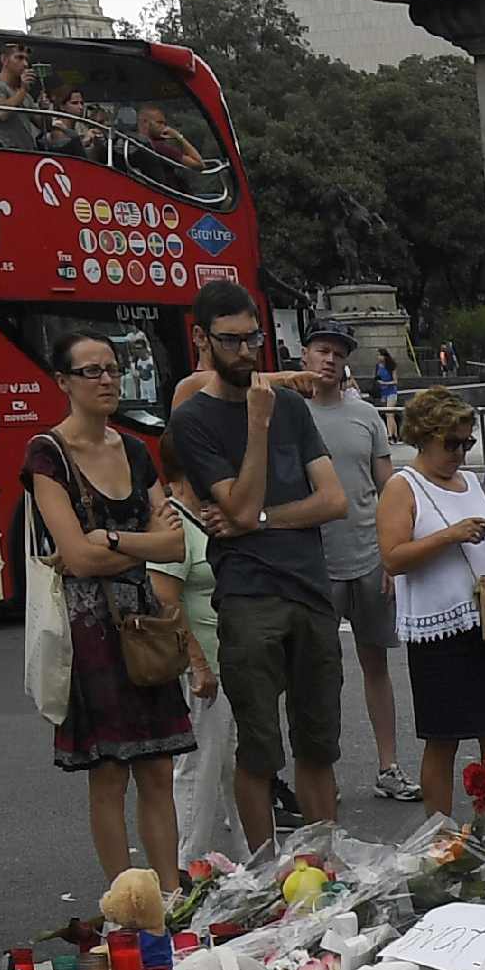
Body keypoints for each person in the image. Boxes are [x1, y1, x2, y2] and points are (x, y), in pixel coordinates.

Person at [168, 282, 353, 843]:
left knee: (319, 743)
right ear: (201, 339)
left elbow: (334, 500)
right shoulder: (194, 421)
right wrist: (255, 425)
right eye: (231, 340)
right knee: (259, 749)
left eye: (254, 338)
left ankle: (328, 869)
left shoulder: (292, 407)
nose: (247, 352)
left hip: (311, 589)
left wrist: (266, 520)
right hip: (249, 594)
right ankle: (268, 874)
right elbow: (237, 504)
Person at [20, 330, 195, 887]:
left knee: (159, 768)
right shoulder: (47, 454)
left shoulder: (136, 450)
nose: (106, 380)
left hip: (144, 622)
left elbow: (175, 546)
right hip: (90, 628)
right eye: (91, 371)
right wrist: (128, 544)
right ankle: (128, 897)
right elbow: (72, 553)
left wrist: (112, 542)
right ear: (63, 382)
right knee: (109, 772)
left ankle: (169, 892)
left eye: (113, 369)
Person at [375, 388, 485, 818]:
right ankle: (438, 838)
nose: (460, 452)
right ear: (424, 436)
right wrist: (450, 535)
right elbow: (393, 558)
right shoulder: (403, 486)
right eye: (451, 443)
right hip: (438, 631)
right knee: (444, 738)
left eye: (467, 443)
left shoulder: (470, 481)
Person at [289, 326, 410, 806]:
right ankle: (323, 777)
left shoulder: (366, 415)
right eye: (322, 351)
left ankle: (389, 766)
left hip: (367, 555)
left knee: (375, 663)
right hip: (313, 562)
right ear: (305, 355)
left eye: (338, 354)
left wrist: (393, 554)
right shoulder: (289, 414)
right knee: (317, 674)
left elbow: (388, 488)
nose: (329, 361)